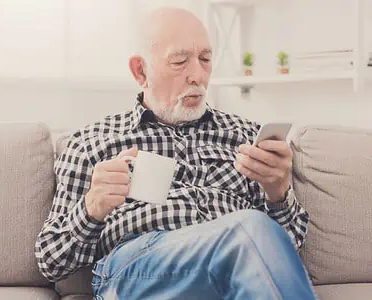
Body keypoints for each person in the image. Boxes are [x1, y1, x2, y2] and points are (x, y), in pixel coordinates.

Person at [35, 7, 317, 300]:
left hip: (235, 267)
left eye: (205, 59)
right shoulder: (92, 142)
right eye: (180, 61)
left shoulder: (246, 137)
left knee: (250, 240)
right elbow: (50, 262)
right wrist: (92, 208)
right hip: (139, 266)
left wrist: (278, 191)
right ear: (140, 71)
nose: (197, 75)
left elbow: (289, 246)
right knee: (249, 231)